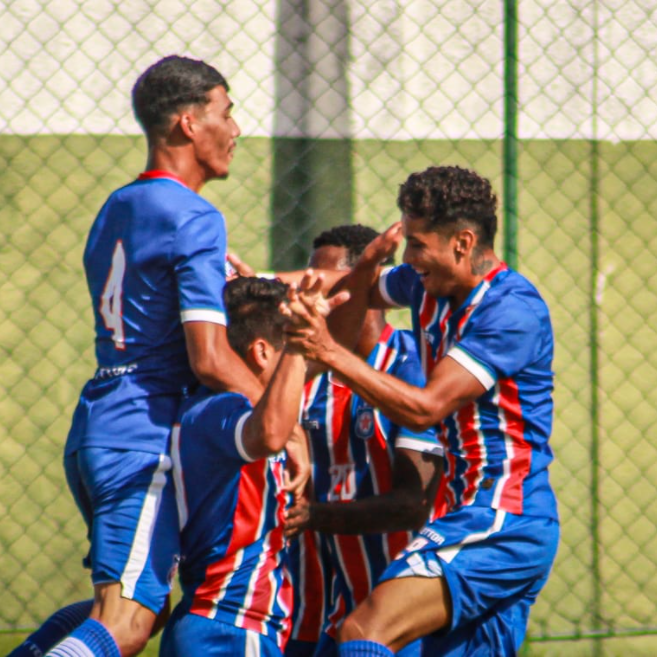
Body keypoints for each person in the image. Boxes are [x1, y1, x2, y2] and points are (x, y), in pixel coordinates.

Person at [40, 56, 305, 657]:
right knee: (126, 621)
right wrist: (283, 424)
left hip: (98, 426)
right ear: (189, 124)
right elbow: (210, 358)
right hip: (143, 434)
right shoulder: (196, 216)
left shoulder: (118, 206)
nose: (236, 129)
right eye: (227, 112)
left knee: (144, 604)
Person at [285, 166, 559, 656]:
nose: (408, 259)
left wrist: (326, 352)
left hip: (500, 518)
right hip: (477, 516)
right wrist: (237, 284)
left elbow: (425, 408)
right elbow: (345, 285)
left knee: (364, 631)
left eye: (417, 244)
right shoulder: (425, 286)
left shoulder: (510, 310)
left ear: (462, 242)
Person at [283, 225, 445, 657]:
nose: (312, 296)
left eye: (328, 283)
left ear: (365, 287)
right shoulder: (307, 378)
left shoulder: (414, 367)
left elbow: (415, 504)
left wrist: (314, 515)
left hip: (401, 615)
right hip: (324, 609)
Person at [159, 276, 309, 656]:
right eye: (293, 353)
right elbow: (270, 433)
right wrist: (296, 345)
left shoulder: (204, 406)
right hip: (231, 626)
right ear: (262, 352)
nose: (303, 367)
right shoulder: (224, 411)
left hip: (211, 623)